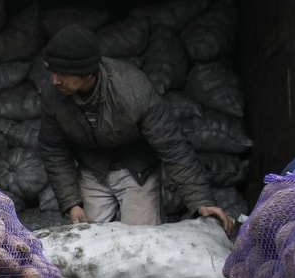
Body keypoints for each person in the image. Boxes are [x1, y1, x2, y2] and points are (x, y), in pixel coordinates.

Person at [38, 24, 233, 235]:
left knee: (142, 242)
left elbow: (173, 146)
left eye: (63, 74)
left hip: (136, 170)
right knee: (88, 241)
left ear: (87, 72)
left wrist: (201, 200)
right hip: (92, 170)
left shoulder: (132, 89)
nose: (55, 80)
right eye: (53, 72)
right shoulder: (54, 94)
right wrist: (71, 202)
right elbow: (54, 149)